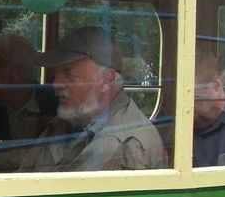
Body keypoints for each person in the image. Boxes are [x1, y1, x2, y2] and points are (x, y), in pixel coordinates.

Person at [20, 27, 166, 172]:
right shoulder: (66, 125)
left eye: (69, 74)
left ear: (107, 81)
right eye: (56, 73)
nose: (56, 84)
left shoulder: (119, 145)